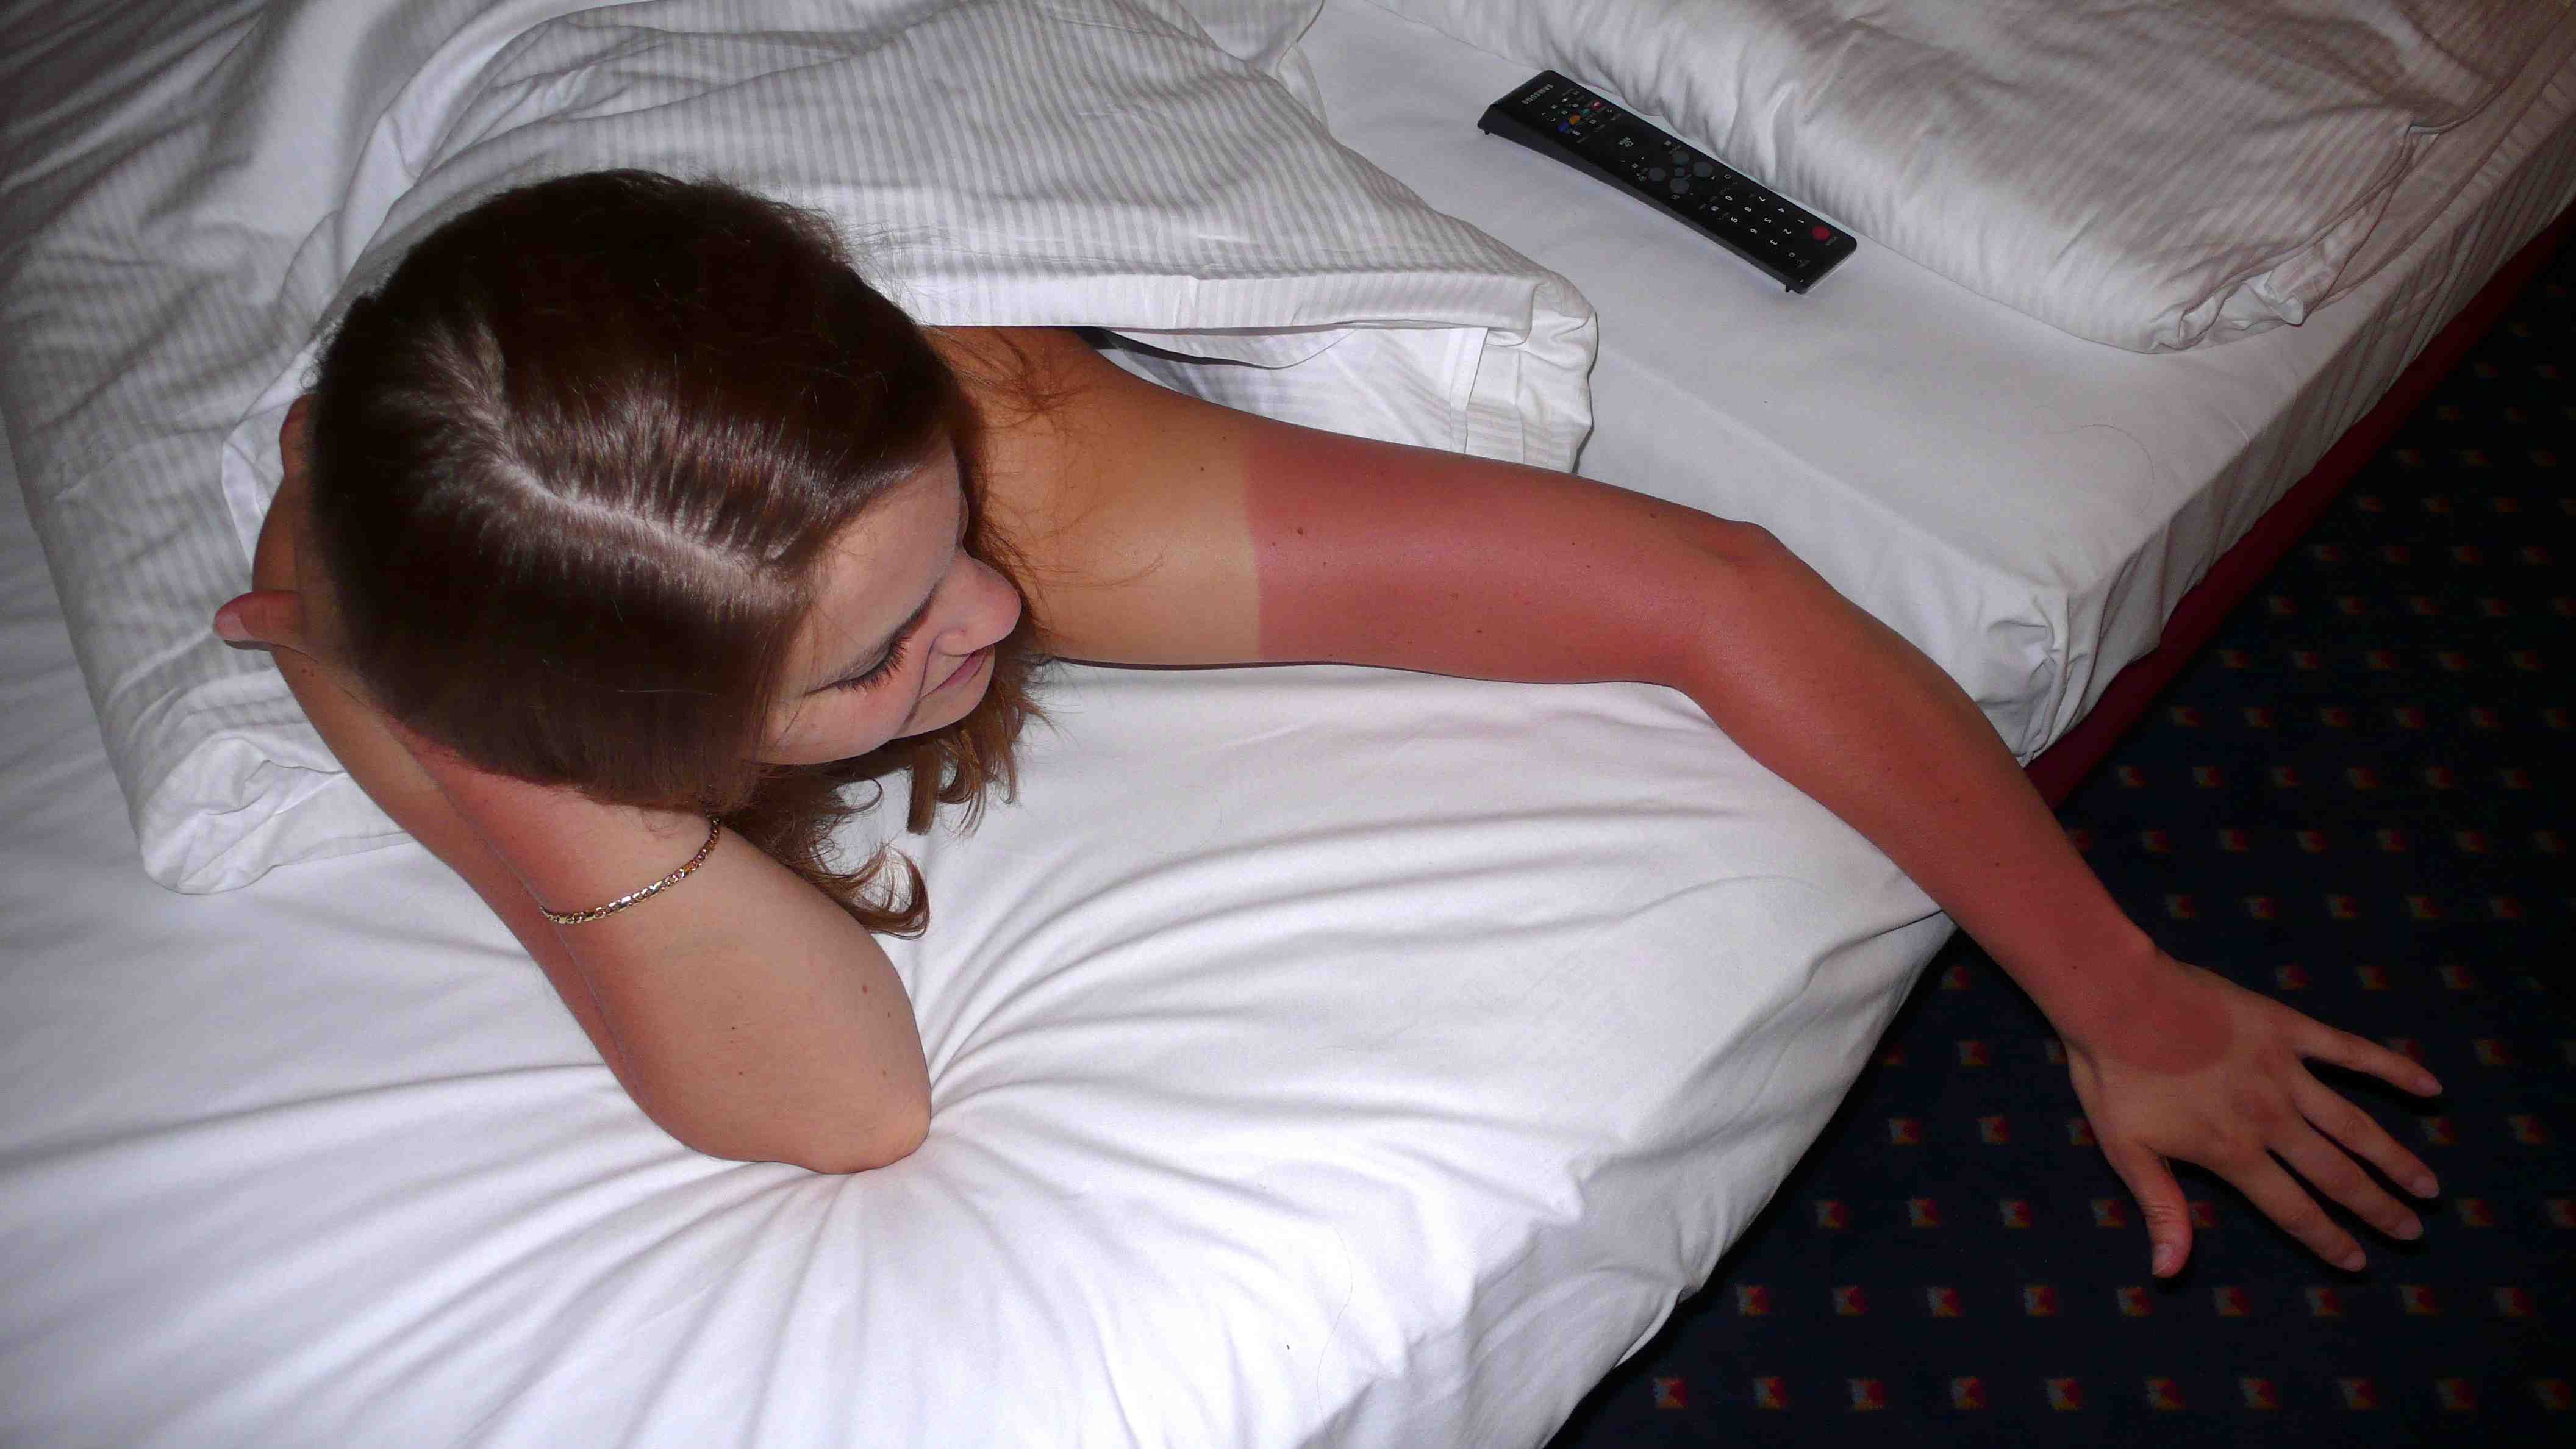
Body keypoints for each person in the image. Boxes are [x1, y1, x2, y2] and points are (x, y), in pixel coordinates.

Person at [215, 170, 2443, 1282]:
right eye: (877, 656)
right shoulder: (492, 625)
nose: (992, 613)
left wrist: (2118, 992)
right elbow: (838, 1099)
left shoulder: (1035, 474)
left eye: (942, 535)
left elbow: (1716, 595)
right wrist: (443, 710)